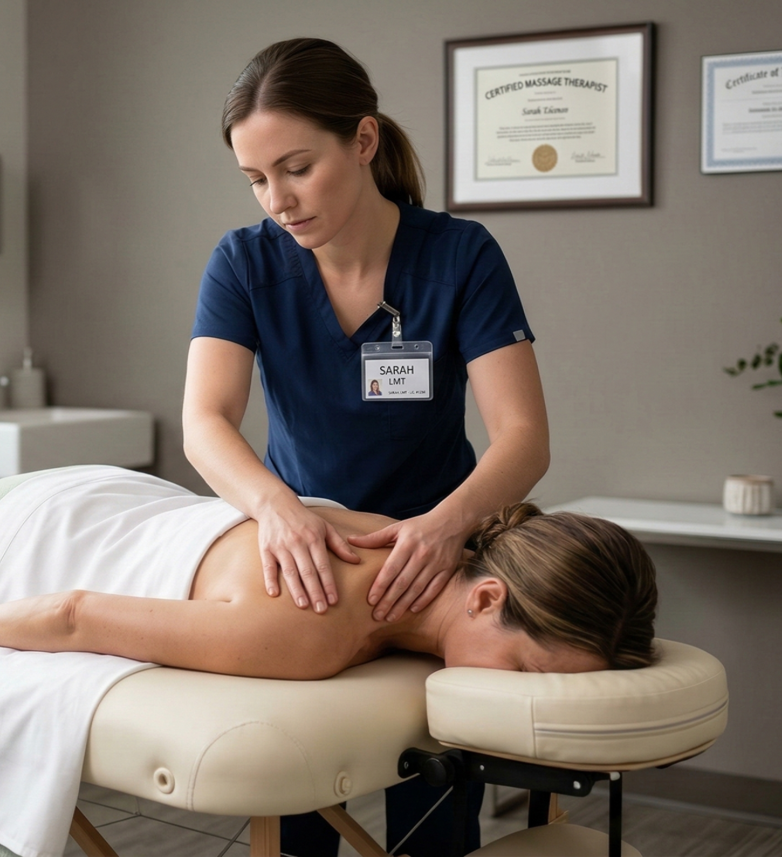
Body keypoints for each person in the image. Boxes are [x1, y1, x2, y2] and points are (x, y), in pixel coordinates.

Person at [183, 38, 550, 855]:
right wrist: (276, 510)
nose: (277, 198)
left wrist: (446, 525)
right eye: (256, 178)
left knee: (431, 818)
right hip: (308, 560)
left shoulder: (460, 257)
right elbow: (205, 420)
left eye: (297, 166)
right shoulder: (244, 264)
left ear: (363, 139)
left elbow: (523, 437)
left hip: (435, 563)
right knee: (299, 807)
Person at [0, 500, 657, 679]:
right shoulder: (311, 628)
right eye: (525, 675)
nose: (524, 703)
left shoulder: (408, 541)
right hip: (26, 532)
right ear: (487, 597)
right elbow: (76, 613)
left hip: (126, 501)